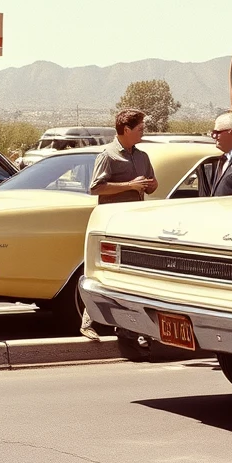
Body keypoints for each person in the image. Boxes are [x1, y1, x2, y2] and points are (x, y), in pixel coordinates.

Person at [78, 108, 158, 340]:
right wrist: (129, 185)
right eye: (140, 129)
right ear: (126, 130)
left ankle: (130, 327)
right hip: (111, 224)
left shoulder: (142, 156)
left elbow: (151, 186)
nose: (143, 133)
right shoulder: (108, 155)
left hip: (135, 223)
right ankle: (88, 321)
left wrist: (149, 185)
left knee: (130, 274)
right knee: (103, 271)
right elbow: (96, 187)